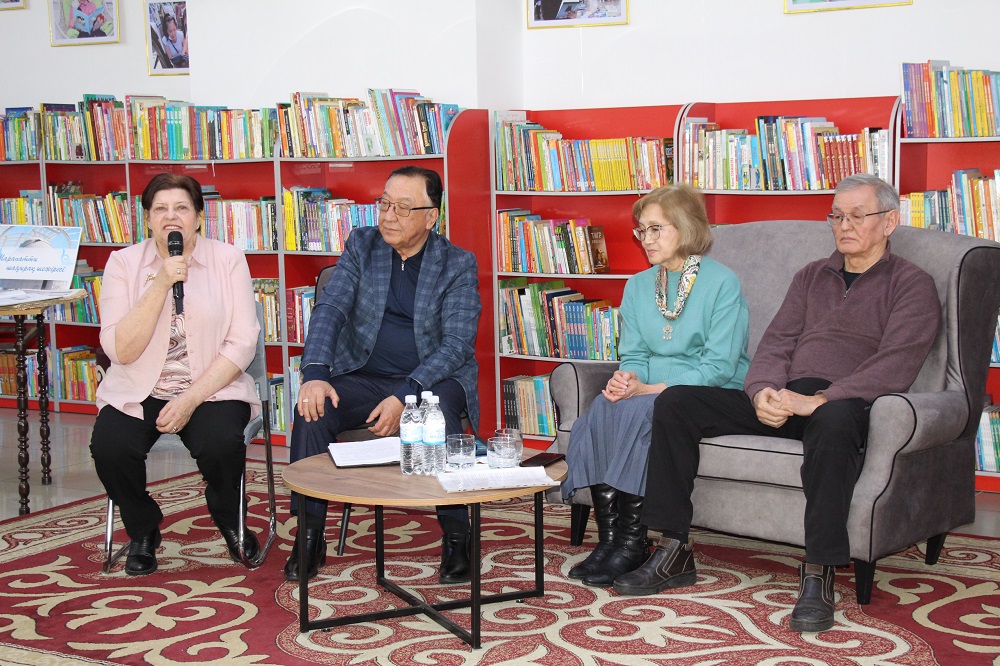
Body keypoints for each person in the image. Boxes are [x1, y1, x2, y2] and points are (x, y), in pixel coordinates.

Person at [614, 174, 942, 634]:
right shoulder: (811, 275)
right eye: (836, 216)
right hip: (786, 397)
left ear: (889, 222)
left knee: (833, 422)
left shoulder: (911, 284)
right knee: (677, 402)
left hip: (846, 403)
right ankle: (673, 549)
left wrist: (822, 399)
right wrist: (762, 391)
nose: (844, 225)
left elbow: (897, 364)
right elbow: (776, 343)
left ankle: (819, 573)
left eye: (856, 216)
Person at [285, 166, 481, 584]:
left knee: (440, 413)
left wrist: (407, 395)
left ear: (431, 217)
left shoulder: (457, 263)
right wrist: (315, 372)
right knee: (313, 409)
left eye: (403, 208)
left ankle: (457, 537)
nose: (389, 216)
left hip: (432, 380)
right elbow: (330, 308)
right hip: (365, 375)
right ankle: (309, 534)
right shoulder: (363, 245)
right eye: (385, 204)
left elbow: (456, 345)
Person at [562, 184, 750, 587]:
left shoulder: (723, 283)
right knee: (605, 406)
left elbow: (719, 365)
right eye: (641, 230)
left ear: (685, 227)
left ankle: (633, 543)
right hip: (648, 389)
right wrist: (628, 378)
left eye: (655, 229)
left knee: (645, 410)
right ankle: (611, 540)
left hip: (706, 391)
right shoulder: (637, 285)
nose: (645, 239)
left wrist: (651, 389)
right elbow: (633, 354)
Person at [90, 173, 261, 576]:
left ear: (199, 217)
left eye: (182, 208)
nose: (171, 217)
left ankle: (229, 519)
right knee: (110, 447)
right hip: (139, 386)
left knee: (221, 443)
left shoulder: (228, 259)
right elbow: (120, 350)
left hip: (211, 386)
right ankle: (143, 529)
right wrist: (161, 283)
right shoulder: (123, 264)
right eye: (161, 209)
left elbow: (242, 342)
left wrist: (190, 399)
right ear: (147, 218)